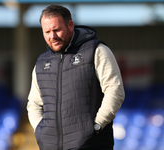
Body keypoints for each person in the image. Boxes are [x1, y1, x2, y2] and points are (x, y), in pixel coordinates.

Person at [27, 4, 125, 150]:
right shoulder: (41, 63)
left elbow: (115, 89)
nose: (52, 36)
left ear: (70, 25)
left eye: (56, 30)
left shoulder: (96, 51)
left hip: (92, 144)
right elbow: (34, 103)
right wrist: (41, 131)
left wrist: (97, 125)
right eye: (46, 31)